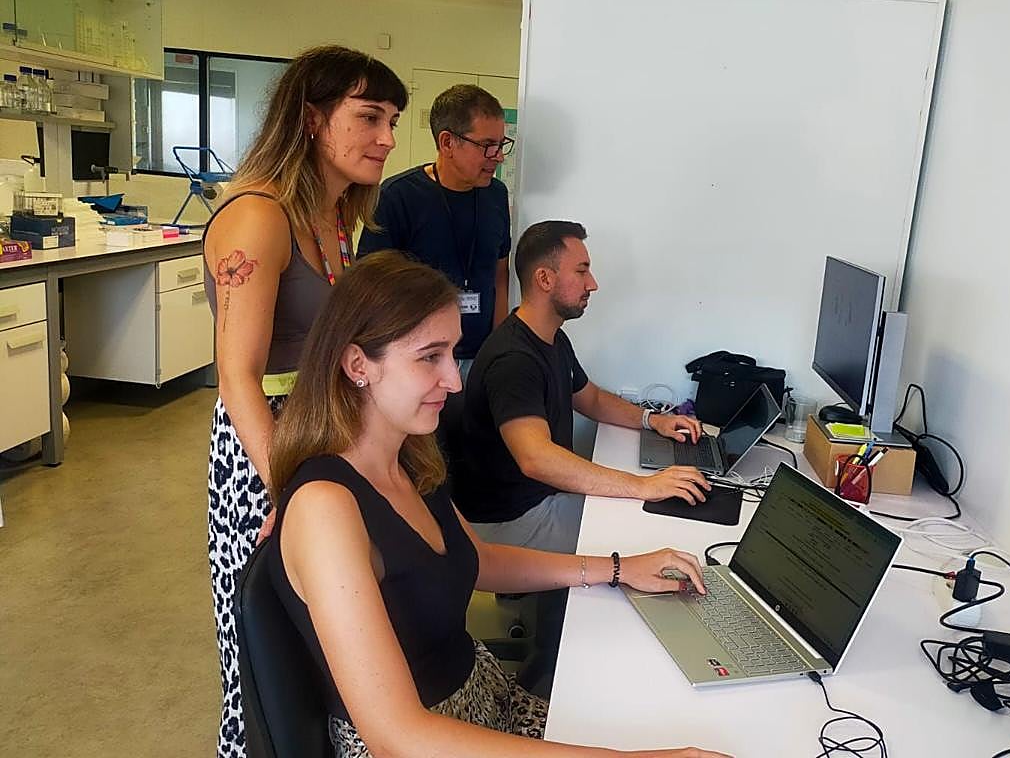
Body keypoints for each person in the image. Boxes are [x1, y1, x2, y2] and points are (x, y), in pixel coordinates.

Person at [267, 251, 730, 758]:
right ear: (359, 365)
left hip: (486, 705)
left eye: (453, 354)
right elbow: (398, 737)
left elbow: (481, 560)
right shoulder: (326, 508)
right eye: (430, 357)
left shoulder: (408, 458)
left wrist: (618, 569)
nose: (455, 379)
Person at [202, 44, 408, 758]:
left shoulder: (337, 216)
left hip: (326, 442)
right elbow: (238, 377)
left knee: (342, 643)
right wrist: (289, 493)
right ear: (313, 118)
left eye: (393, 120)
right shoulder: (259, 216)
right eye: (370, 117)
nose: (387, 138)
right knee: (270, 658)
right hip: (269, 455)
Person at [455, 220, 709, 555]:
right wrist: (643, 485)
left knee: (637, 509)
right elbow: (536, 458)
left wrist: (653, 420)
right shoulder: (514, 359)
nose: (593, 284)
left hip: (539, 497)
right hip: (510, 519)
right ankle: (548, 602)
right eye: (582, 271)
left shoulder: (551, 337)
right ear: (545, 279)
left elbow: (591, 399)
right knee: (638, 529)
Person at [356, 84, 513, 372]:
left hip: (483, 357)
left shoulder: (496, 195)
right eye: (488, 146)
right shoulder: (397, 198)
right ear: (447, 143)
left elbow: (500, 275)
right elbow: (371, 286)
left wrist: (498, 347)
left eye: (502, 145)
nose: (499, 156)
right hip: (419, 359)